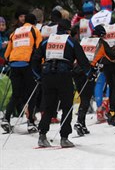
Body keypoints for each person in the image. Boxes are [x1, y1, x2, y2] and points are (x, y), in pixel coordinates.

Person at [31, 19, 91, 148]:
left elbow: (35, 59)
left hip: (47, 75)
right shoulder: (71, 41)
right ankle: (64, 137)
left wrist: (38, 76)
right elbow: (83, 60)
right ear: (68, 30)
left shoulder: (47, 41)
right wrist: (89, 74)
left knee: (48, 106)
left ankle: (42, 135)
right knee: (66, 106)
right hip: (64, 76)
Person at [1, 14, 42, 133]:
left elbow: (6, 54)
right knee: (32, 94)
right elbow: (39, 49)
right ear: (34, 22)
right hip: (27, 64)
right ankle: (31, 122)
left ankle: (6, 119)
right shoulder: (34, 30)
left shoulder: (15, 32)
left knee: (16, 94)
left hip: (14, 65)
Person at [74, 25, 115, 136]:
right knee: (86, 98)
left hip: (76, 70)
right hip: (87, 72)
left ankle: (82, 124)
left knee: (83, 96)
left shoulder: (84, 40)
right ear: (102, 35)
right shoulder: (101, 42)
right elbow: (112, 57)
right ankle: (79, 122)